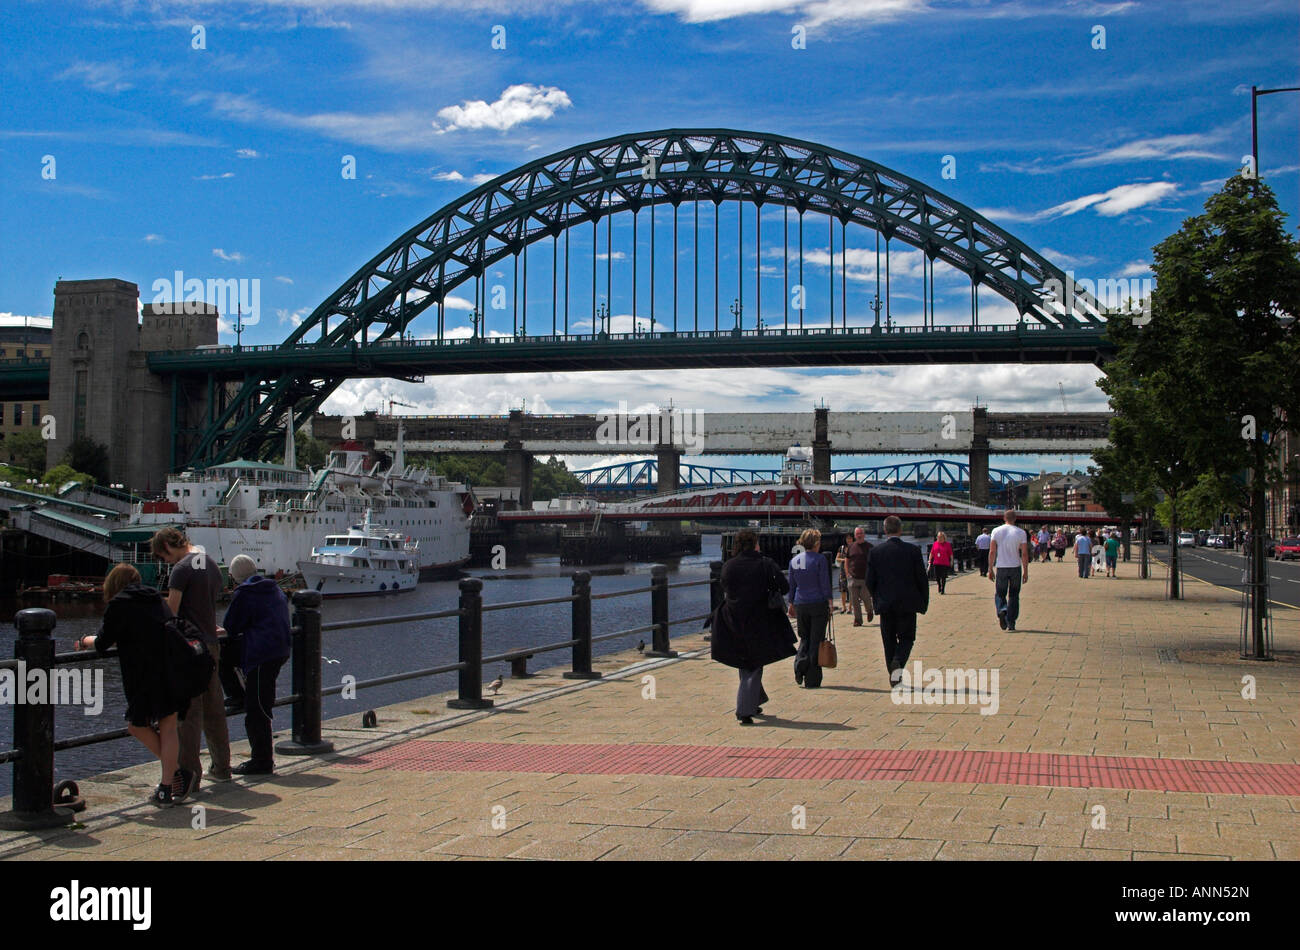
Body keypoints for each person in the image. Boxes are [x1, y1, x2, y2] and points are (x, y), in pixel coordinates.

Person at [75, 564, 192, 807]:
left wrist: (85, 640)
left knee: (137, 725)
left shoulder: (119, 604)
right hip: (170, 669)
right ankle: (168, 785)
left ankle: (176, 773)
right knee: (168, 726)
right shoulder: (155, 598)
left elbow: (104, 642)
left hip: (143, 674)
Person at [152, 527, 231, 795]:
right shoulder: (209, 562)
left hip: (189, 648)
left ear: (167, 547)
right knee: (215, 708)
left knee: (189, 714)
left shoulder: (182, 569)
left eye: (164, 557)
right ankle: (222, 767)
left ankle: (190, 777)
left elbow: (171, 612)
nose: (166, 562)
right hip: (211, 643)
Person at [710, 530, 797, 724]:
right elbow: (784, 587)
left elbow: (724, 587)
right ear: (755, 544)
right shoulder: (765, 564)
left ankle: (754, 700)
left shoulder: (729, 566)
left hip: (732, 619)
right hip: (759, 619)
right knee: (754, 664)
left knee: (745, 661)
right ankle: (744, 710)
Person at [222, 555, 293, 775]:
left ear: (235, 577)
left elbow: (230, 626)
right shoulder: (274, 589)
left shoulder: (245, 594)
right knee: (261, 703)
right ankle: (262, 758)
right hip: (279, 650)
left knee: (257, 709)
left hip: (261, 653)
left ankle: (261, 761)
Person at [866, 516, 929, 686]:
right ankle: (899, 661)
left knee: (888, 640)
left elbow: (869, 581)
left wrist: (876, 597)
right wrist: (923, 602)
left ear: (885, 530)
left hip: (885, 604)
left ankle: (894, 674)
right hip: (908, 604)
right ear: (900, 530)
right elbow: (922, 579)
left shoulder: (875, 552)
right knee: (907, 638)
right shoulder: (913, 551)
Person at [786, 529, 835, 688]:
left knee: (804, 638)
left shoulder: (794, 561)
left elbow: (792, 585)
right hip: (818, 603)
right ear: (815, 543)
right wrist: (829, 601)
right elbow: (824, 583)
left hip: (801, 603)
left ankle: (800, 663)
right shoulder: (820, 559)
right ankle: (812, 678)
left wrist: (791, 603)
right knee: (816, 640)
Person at [987, 509, 1029, 631]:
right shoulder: (1021, 532)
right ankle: (1011, 622)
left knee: (1000, 593)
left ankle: (1002, 609)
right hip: (1015, 566)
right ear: (1015, 519)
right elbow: (1024, 553)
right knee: (1014, 595)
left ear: (1004, 518)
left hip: (1001, 566)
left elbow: (992, 551)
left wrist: (990, 568)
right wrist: (1025, 571)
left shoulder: (996, 531)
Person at [843, 527, 874, 626]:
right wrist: (847, 573)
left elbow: (874, 562)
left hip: (865, 578)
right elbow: (847, 560)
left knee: (866, 597)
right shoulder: (851, 546)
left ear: (864, 535)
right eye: (857, 534)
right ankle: (858, 620)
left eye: (861, 533)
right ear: (855, 536)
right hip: (853, 578)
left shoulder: (870, 547)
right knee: (854, 600)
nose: (859, 535)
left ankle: (869, 610)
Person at [834, 539, 850, 614]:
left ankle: (850, 607)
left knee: (851, 590)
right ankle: (844, 607)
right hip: (843, 571)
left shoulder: (853, 547)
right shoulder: (841, 548)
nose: (849, 540)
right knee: (843, 590)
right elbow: (837, 558)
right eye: (847, 538)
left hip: (851, 571)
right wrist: (844, 560)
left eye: (850, 538)